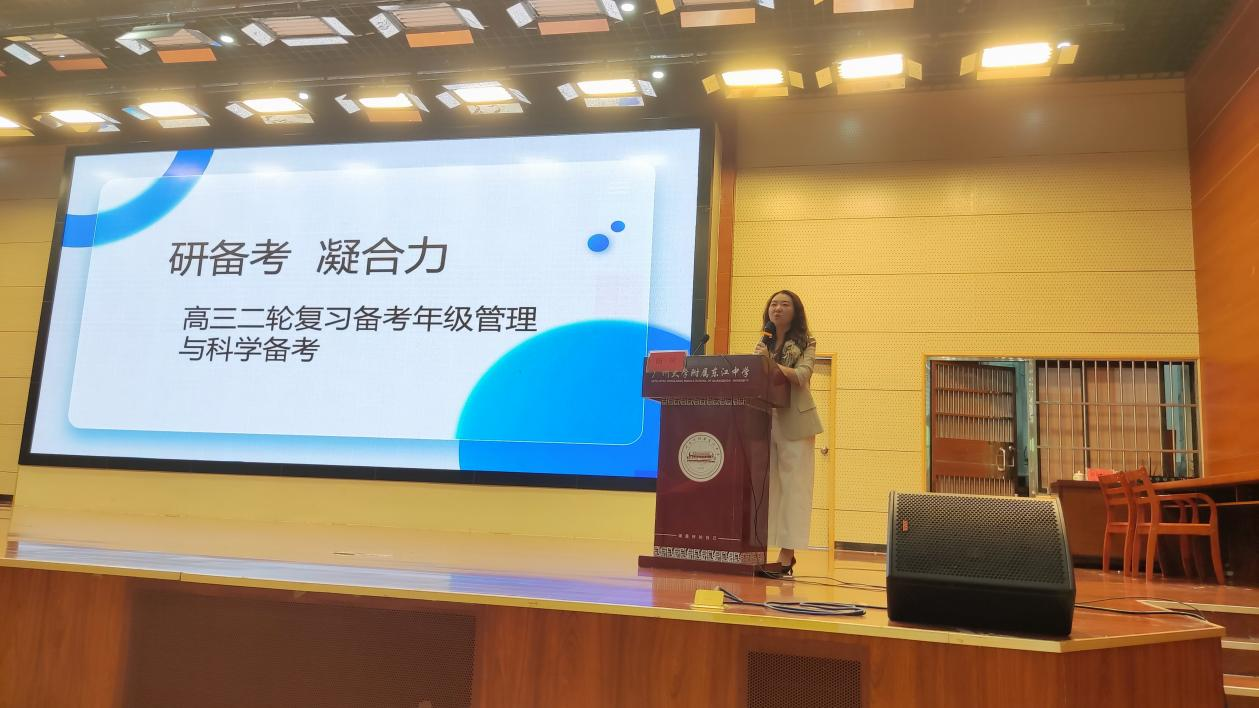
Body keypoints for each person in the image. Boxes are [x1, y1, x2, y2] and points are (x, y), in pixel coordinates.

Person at [753, 290, 825, 575]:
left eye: (784, 304)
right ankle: (760, 550)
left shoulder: (807, 342)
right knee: (767, 490)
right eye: (773, 304)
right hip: (763, 421)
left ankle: (786, 555)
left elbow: (802, 376)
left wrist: (769, 364)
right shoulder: (765, 342)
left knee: (794, 489)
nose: (777, 308)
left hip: (795, 422)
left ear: (795, 311)